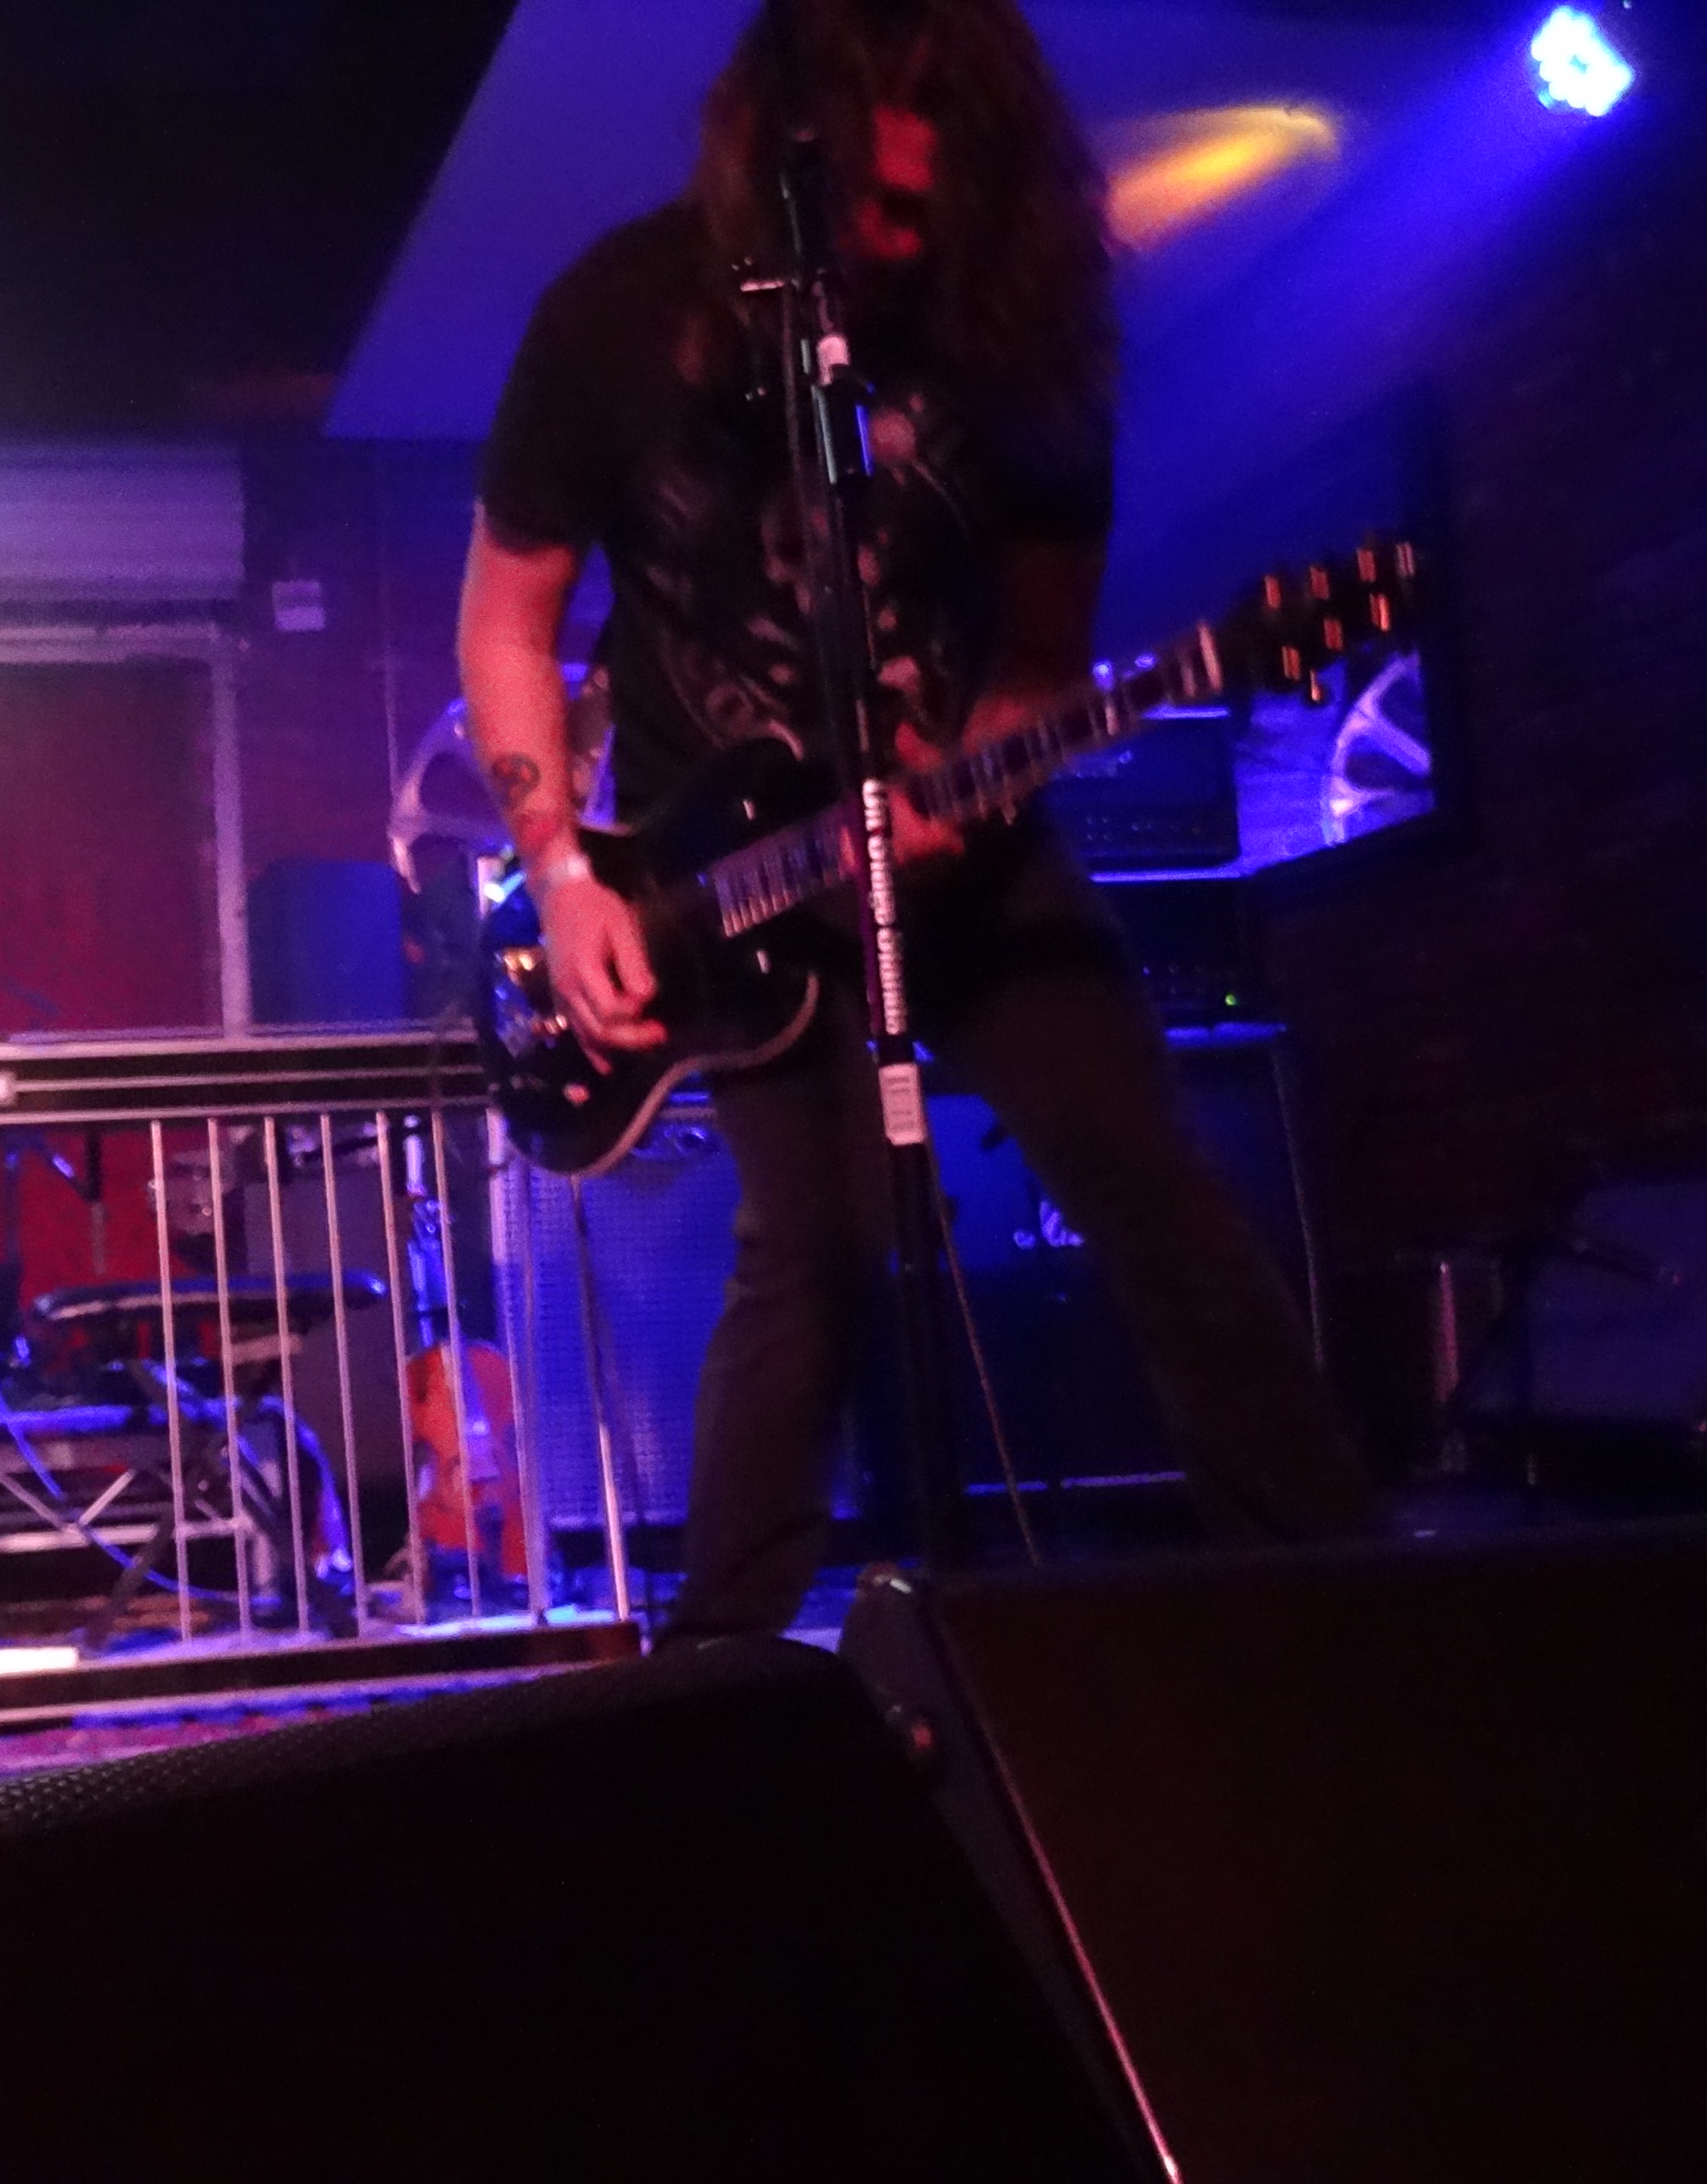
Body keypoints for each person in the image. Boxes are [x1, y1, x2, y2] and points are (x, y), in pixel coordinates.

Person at [456, 0, 1379, 1644]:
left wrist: (979, 780)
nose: (902, 240)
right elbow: (505, 619)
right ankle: (719, 1678)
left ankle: (1340, 1611)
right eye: (873, 203)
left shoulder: (1022, 340)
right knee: (808, 1250)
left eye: (935, 204)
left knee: (1147, 1176)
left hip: (960, 847)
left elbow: (1035, 665)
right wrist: (563, 871)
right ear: (781, 147)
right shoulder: (615, 318)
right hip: (719, 886)